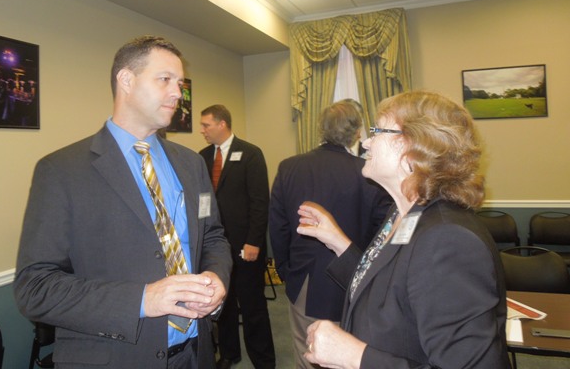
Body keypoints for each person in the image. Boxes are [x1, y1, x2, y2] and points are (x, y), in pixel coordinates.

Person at [14, 36, 232, 368]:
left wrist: (217, 279)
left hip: (195, 353)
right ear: (126, 80)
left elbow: (213, 236)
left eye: (180, 83)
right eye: (165, 80)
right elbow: (35, 288)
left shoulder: (191, 165)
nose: (178, 93)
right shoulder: (61, 171)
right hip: (116, 357)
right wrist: (144, 300)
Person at [298, 90, 510, 369]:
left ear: (414, 146)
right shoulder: (403, 212)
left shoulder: (448, 240)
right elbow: (388, 289)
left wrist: (354, 356)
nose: (366, 141)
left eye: (378, 131)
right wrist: (337, 241)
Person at [268, 100, 392, 368]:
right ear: (356, 133)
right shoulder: (368, 173)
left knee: (307, 353)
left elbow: (278, 228)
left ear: (321, 130)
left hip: (303, 280)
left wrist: (286, 270)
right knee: (349, 353)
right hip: (354, 281)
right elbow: (382, 233)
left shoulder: (289, 167)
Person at [199, 105, 276, 369]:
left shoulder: (251, 154)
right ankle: (230, 354)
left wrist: (254, 241)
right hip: (215, 247)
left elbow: (259, 202)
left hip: (246, 246)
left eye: (206, 125)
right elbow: (203, 201)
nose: (202, 131)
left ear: (222, 124)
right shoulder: (203, 157)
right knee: (223, 304)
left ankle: (263, 360)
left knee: (253, 306)